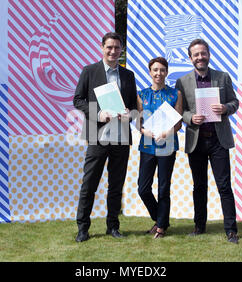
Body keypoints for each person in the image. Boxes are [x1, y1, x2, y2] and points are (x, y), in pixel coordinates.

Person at [73, 32, 137, 243]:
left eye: (117, 48)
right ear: (102, 48)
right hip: (98, 136)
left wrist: (131, 114)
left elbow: (135, 108)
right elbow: (78, 99)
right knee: (89, 183)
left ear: (121, 50)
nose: (113, 51)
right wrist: (97, 113)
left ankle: (113, 226)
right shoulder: (90, 71)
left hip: (121, 137)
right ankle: (83, 228)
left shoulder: (128, 75)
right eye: (109, 47)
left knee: (116, 185)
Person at [175, 39, 239, 244]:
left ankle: (231, 230)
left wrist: (226, 108)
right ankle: (199, 226)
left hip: (219, 140)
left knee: (224, 186)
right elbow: (180, 111)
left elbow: (234, 102)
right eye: (196, 54)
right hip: (196, 140)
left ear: (209, 54)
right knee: (199, 186)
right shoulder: (182, 82)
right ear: (190, 58)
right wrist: (189, 118)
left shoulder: (223, 77)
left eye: (203, 53)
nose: (200, 57)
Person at [137, 57, 182, 239]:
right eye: (155, 70)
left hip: (167, 145)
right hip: (147, 145)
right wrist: (143, 131)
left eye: (162, 70)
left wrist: (167, 132)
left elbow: (179, 123)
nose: (158, 73)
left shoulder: (175, 94)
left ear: (167, 72)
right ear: (150, 72)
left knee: (164, 187)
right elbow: (138, 122)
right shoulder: (142, 95)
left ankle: (161, 227)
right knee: (143, 188)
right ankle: (161, 219)